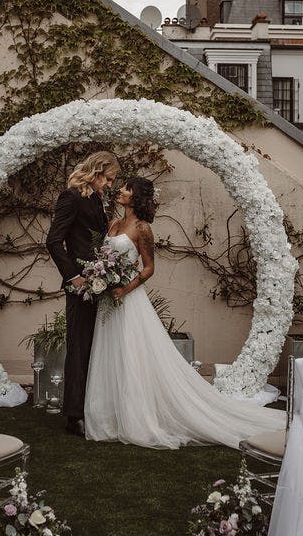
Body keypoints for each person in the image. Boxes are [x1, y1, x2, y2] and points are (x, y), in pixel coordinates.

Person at [84, 176, 285, 449]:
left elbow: (148, 268)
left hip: (128, 300)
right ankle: (110, 417)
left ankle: (138, 416)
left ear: (136, 197)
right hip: (108, 301)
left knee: (133, 355)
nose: (120, 190)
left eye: (127, 188)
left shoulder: (142, 228)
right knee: (110, 352)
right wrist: (103, 279)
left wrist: (124, 289)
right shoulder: (113, 224)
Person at [46, 151, 119, 436]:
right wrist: (74, 277)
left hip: (99, 283)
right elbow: (53, 241)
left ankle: (93, 406)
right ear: (97, 172)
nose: (110, 185)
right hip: (80, 286)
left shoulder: (96, 199)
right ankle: (74, 415)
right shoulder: (71, 197)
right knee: (78, 348)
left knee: (95, 346)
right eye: (108, 179)